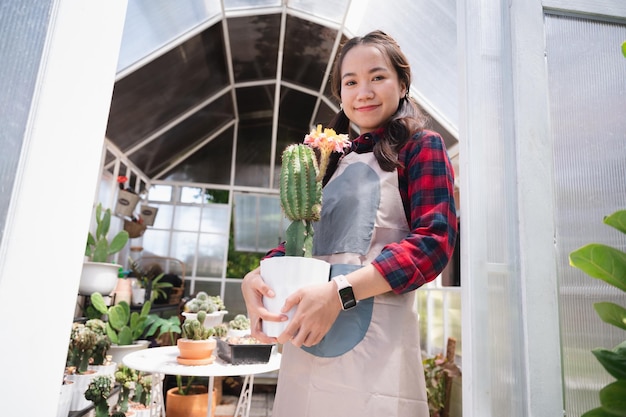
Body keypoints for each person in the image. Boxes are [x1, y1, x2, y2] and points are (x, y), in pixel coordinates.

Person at [241, 30, 457, 417]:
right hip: (306, 340)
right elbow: (302, 238)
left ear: (403, 83)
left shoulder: (421, 147)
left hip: (376, 351)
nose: (364, 92)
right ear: (339, 94)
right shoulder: (328, 160)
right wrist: (257, 275)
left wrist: (339, 292)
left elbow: (433, 243)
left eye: (377, 77)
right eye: (350, 82)